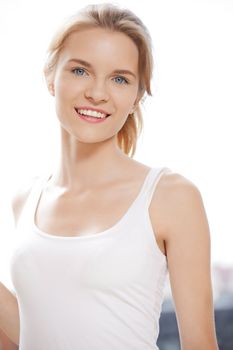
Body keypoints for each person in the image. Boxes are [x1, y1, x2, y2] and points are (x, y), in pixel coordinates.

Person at [0, 3, 219, 350]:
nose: (97, 93)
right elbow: (32, 334)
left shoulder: (170, 196)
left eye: (119, 78)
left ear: (136, 97)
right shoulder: (24, 200)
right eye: (80, 71)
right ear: (50, 77)